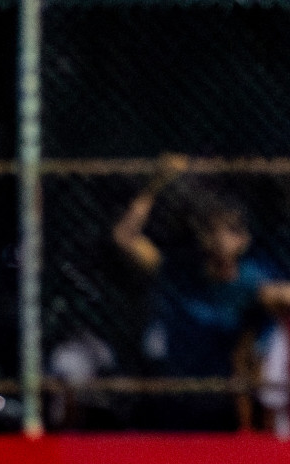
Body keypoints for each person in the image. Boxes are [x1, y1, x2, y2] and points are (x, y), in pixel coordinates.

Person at [113, 154, 290, 430]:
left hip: (226, 406)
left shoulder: (255, 280)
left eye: (231, 231)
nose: (221, 240)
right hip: (174, 398)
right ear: (200, 234)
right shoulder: (179, 272)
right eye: (212, 230)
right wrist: (156, 184)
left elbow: (279, 297)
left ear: (245, 239)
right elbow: (125, 237)